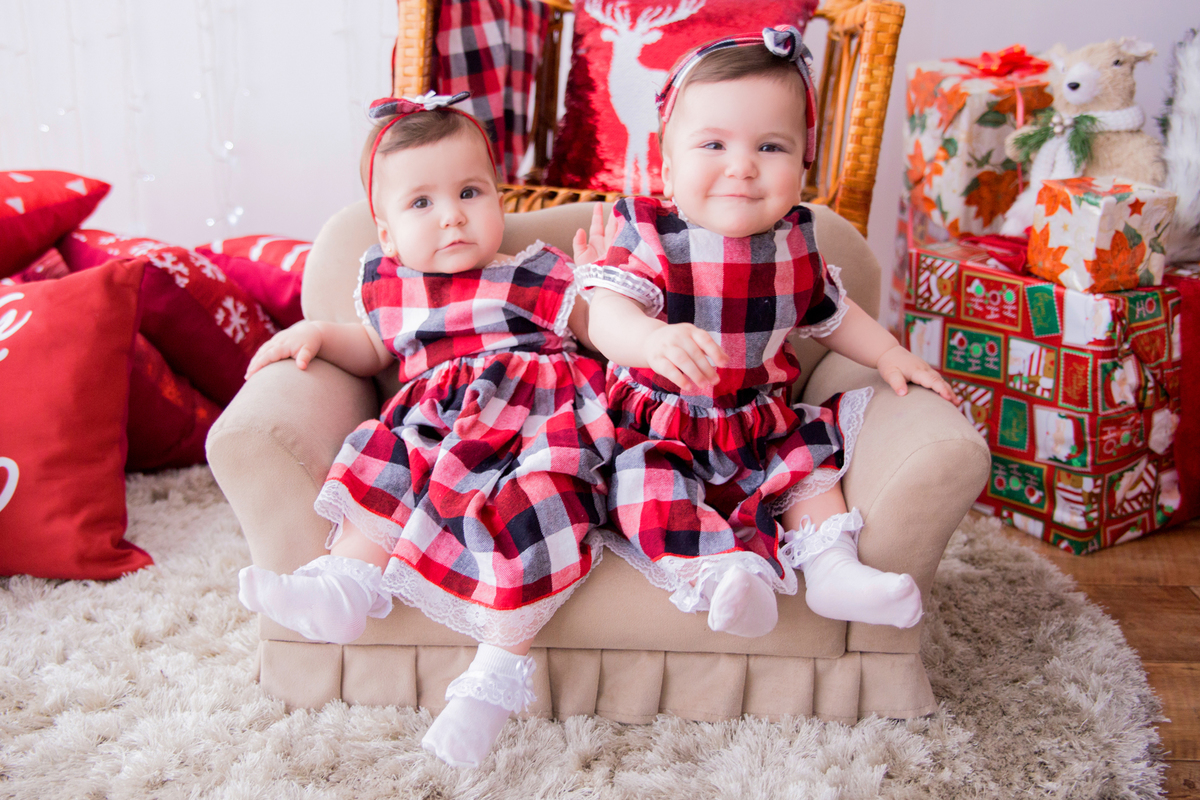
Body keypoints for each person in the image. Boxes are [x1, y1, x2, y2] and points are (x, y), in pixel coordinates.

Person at [236, 92, 616, 768]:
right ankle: (345, 586)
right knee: (387, 457)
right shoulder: (390, 287)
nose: (452, 216)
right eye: (421, 204)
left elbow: (603, 332)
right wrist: (319, 334)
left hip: (536, 419)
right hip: (439, 426)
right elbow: (372, 351)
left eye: (471, 191)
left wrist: (610, 283)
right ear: (385, 235)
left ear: (500, 199)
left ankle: (494, 677)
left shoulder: (535, 273)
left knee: (538, 505)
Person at [580, 27, 960, 640]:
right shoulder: (649, 235)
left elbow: (833, 315)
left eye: (771, 147)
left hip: (756, 421)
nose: (742, 167)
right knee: (649, 491)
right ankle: (721, 573)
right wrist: (651, 341)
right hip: (657, 424)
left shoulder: (795, 245)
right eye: (713, 143)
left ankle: (834, 569)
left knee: (810, 465)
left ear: (804, 164)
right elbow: (607, 315)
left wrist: (889, 352)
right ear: (667, 163)